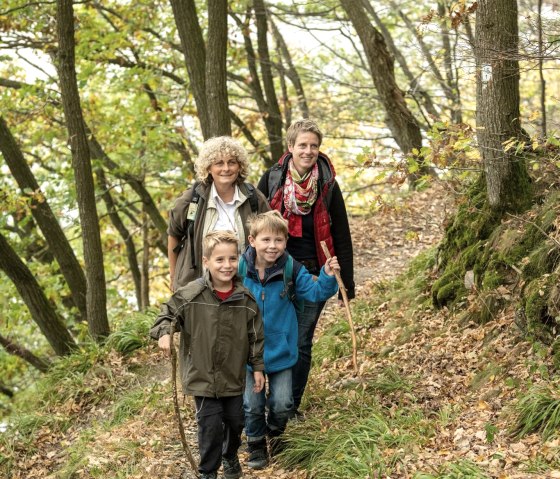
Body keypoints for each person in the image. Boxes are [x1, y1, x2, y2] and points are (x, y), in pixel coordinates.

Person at [257, 119, 355, 417]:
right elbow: (256, 224)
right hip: (276, 272)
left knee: (300, 342)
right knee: (272, 336)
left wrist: (345, 284)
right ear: (290, 147)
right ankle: (262, 403)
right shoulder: (272, 179)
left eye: (314, 146)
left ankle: (289, 407)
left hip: (314, 273)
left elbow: (341, 234)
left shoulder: (327, 183)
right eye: (303, 145)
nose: (308, 151)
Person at [150, 231, 265, 479]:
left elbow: (255, 336)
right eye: (219, 260)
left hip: (233, 375)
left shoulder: (245, 299)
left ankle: (230, 455)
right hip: (201, 375)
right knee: (210, 426)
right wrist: (164, 333)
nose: (227, 265)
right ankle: (208, 472)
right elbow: (166, 315)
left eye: (232, 259)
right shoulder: (191, 294)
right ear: (206, 262)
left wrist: (257, 367)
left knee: (236, 422)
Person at [239, 210, 339, 469]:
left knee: (283, 403)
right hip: (248, 353)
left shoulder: (291, 268)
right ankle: (256, 443)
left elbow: (316, 293)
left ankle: (276, 433)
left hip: (282, 351)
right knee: (251, 404)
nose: (273, 246)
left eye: (279, 241)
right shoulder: (240, 269)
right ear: (252, 241)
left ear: (285, 242)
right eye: (266, 240)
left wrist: (327, 275)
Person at [168, 136, 269, 292]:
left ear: (239, 166)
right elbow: (173, 234)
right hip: (197, 289)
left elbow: (271, 238)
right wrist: (174, 277)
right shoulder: (192, 199)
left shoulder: (254, 199)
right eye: (219, 163)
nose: (226, 168)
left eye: (232, 162)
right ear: (209, 168)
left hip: (243, 288)